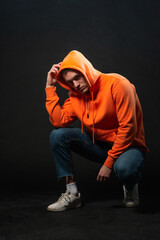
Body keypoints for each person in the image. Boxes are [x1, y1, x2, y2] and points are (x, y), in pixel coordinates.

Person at [45, 50, 148, 211]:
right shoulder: (76, 95)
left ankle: (130, 187)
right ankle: (72, 194)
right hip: (99, 146)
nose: (76, 85)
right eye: (70, 82)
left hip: (129, 147)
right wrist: (50, 87)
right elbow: (59, 121)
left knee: (124, 169)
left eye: (77, 77)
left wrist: (108, 164)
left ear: (86, 70)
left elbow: (128, 128)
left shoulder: (118, 84)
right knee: (57, 135)